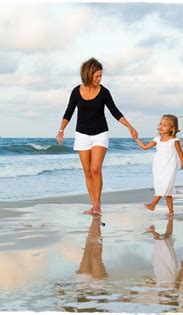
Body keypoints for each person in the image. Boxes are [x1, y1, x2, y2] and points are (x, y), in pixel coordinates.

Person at [56, 58, 138, 215]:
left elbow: (115, 111)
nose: (99, 79)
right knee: (87, 171)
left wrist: (129, 126)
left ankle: (98, 204)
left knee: (95, 169)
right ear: (88, 75)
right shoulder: (76, 91)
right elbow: (69, 112)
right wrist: (61, 130)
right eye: (97, 76)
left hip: (100, 132)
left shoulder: (104, 92)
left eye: (100, 76)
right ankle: (93, 204)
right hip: (81, 134)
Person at [135, 114, 183, 216]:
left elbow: (180, 152)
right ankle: (171, 212)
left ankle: (153, 204)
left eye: (165, 125)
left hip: (170, 166)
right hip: (158, 166)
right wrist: (136, 139)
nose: (161, 126)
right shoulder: (157, 139)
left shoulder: (174, 140)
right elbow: (145, 147)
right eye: (161, 124)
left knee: (165, 185)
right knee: (167, 191)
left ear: (172, 128)